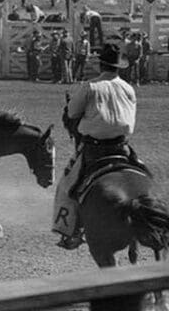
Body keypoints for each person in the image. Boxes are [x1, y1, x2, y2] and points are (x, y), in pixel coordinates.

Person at [53, 43, 147, 250]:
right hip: (123, 147)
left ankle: (71, 232)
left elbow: (71, 114)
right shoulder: (128, 88)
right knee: (146, 175)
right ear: (118, 66)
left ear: (100, 65)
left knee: (67, 186)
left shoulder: (90, 87)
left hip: (94, 150)